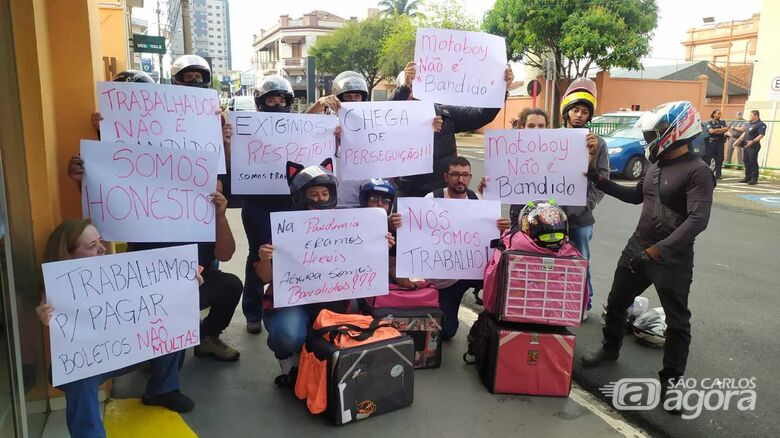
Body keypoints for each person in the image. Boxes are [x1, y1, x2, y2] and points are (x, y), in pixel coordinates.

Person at [580, 101, 715, 414]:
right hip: (638, 246)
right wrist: (599, 180)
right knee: (615, 303)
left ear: (675, 130)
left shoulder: (698, 172)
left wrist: (660, 250)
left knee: (678, 322)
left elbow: (698, 220)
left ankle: (671, 386)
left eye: (655, 132)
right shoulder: (657, 163)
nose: (650, 138)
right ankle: (610, 349)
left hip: (671, 257)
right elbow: (636, 195)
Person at [36, 220, 195, 438]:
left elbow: (161, 295)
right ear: (69, 255)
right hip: (86, 361)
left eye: (100, 242)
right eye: (92, 246)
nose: (102, 248)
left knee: (170, 323)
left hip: (123, 351)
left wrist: (186, 282)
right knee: (79, 377)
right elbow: (58, 329)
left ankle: (163, 389)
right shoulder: (57, 290)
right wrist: (45, 316)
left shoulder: (118, 273)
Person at [255, 159, 395, 386]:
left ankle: (330, 362)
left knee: (359, 323)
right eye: (313, 194)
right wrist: (264, 258)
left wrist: (381, 247)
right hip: (295, 301)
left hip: (337, 297)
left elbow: (363, 263)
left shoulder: (347, 225)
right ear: (301, 196)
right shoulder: (286, 228)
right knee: (287, 335)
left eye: (324, 193)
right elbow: (264, 277)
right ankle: (289, 363)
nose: (320, 199)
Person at [306, 71, 443, 208]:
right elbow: (302, 130)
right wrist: (319, 105)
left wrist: (426, 127)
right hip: (331, 201)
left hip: (366, 201)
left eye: (357, 96)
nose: (353, 100)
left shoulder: (374, 123)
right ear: (339, 99)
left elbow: (400, 134)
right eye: (348, 96)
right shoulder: (327, 123)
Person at [390, 62, 513, 197]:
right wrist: (404, 89)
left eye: (419, 87)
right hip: (406, 192)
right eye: (411, 87)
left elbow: (479, 116)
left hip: (442, 192)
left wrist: (501, 90)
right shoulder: (393, 118)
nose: (416, 94)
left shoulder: (445, 113)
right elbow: (386, 115)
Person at [424, 156, 510, 340]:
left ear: (470, 177)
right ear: (446, 176)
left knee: (502, 285)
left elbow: (490, 238)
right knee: (446, 332)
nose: (460, 179)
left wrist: (501, 228)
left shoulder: (476, 199)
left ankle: (491, 327)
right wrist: (399, 223)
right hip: (445, 277)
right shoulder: (432, 199)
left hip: (473, 271)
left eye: (465, 175)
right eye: (455, 174)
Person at [240, 75, 297, 334]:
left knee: (289, 253)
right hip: (257, 203)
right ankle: (252, 311)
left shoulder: (299, 126)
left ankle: (284, 303)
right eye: (271, 99)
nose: (276, 103)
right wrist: (230, 139)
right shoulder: (248, 127)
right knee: (258, 253)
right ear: (261, 103)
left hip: (289, 201)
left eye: (281, 99)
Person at [558, 78, 610, 318]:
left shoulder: (597, 144)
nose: (579, 115)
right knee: (552, 260)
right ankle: (555, 298)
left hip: (581, 218)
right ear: (567, 112)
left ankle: (583, 303)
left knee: (580, 261)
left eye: (585, 111)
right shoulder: (552, 137)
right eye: (575, 110)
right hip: (551, 215)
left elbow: (602, 178)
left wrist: (587, 203)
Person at [734, 110, 766, 185]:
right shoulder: (749, 123)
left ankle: (754, 178)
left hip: (753, 146)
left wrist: (753, 141)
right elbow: (744, 133)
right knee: (746, 161)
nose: (749, 116)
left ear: (756, 116)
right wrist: (737, 141)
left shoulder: (760, 124)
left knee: (753, 161)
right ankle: (747, 177)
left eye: (751, 115)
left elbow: (761, 135)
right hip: (746, 145)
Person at [704, 109, 728, 179]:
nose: (719, 115)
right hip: (712, 142)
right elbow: (711, 131)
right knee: (708, 158)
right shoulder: (709, 122)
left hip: (720, 142)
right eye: (718, 113)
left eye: (720, 113)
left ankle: (718, 174)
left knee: (720, 158)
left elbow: (726, 129)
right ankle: (706, 174)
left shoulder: (723, 122)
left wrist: (716, 130)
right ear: (713, 114)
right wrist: (721, 130)